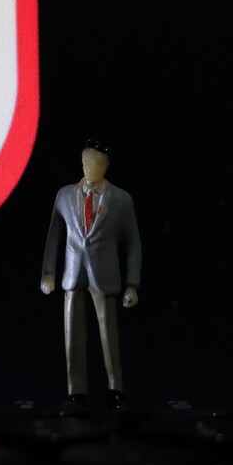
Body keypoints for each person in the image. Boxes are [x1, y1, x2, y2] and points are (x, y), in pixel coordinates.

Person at [40, 138, 142, 409]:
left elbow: (133, 242)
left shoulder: (120, 199)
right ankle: (76, 390)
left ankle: (114, 387)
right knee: (72, 335)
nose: (90, 167)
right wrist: (48, 273)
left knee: (109, 334)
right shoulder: (64, 195)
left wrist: (132, 284)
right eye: (86, 162)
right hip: (73, 275)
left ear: (106, 166)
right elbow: (54, 236)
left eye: (96, 163)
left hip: (105, 276)